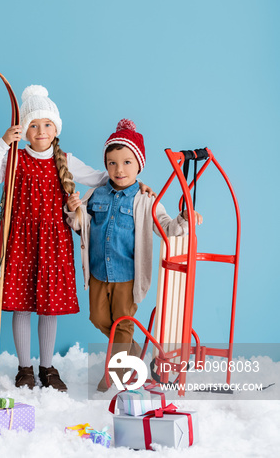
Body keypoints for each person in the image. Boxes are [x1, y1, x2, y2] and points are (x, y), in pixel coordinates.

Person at [0, 88, 153, 392]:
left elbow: (104, 177)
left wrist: (137, 183)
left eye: (47, 125)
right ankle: (25, 369)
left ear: (56, 128)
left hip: (54, 243)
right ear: (24, 130)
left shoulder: (65, 160)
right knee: (21, 306)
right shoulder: (15, 157)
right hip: (20, 242)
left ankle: (47, 368)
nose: (41, 131)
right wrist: (3, 142)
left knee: (50, 306)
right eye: (33, 125)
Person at [65, 119, 203, 392]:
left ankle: (114, 374)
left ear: (140, 165)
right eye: (113, 163)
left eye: (127, 162)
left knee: (123, 323)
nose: (119, 169)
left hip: (128, 274)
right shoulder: (96, 194)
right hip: (97, 271)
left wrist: (184, 218)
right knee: (99, 318)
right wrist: (74, 210)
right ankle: (133, 350)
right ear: (106, 165)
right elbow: (82, 225)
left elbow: (165, 226)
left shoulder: (146, 199)